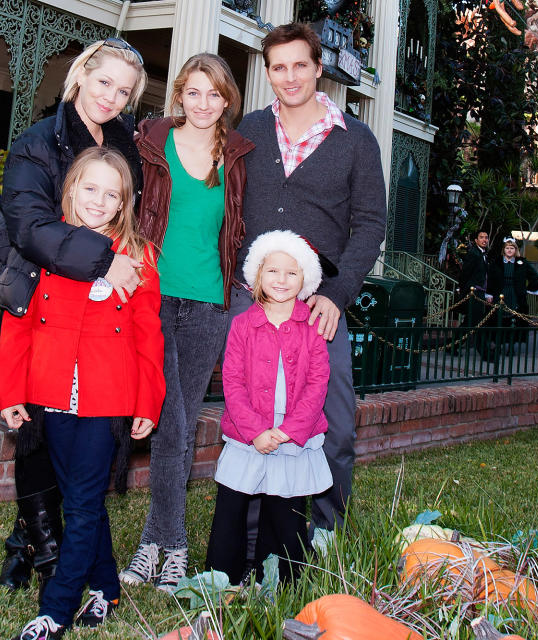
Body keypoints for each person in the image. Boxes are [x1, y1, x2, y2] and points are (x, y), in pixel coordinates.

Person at [0, 37, 146, 605]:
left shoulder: (126, 145)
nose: (111, 97)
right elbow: (29, 226)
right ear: (81, 76)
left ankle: (52, 546)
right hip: (41, 288)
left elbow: (125, 215)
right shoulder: (39, 141)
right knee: (35, 435)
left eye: (124, 91)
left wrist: (123, 262)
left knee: (76, 451)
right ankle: (36, 545)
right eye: (103, 82)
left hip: (101, 312)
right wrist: (106, 261)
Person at [0, 147, 164, 640]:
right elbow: (17, 325)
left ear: (124, 202)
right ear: (70, 189)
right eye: (90, 188)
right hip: (49, 394)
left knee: (85, 505)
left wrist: (146, 402)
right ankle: (107, 587)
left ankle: (56, 608)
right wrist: (12, 392)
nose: (99, 200)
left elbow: (148, 337)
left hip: (106, 397)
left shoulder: (138, 258)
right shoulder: (46, 247)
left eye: (112, 193)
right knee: (77, 498)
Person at [233, 22, 387, 547]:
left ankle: (326, 530)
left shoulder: (355, 139)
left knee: (334, 425)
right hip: (252, 303)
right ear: (268, 72)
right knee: (252, 419)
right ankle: (255, 538)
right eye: (279, 67)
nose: (290, 76)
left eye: (301, 64)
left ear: (319, 68)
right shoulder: (248, 131)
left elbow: (370, 224)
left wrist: (336, 295)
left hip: (318, 304)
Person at [119, 52, 253, 594]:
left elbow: (241, 228)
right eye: (193, 92)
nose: (203, 103)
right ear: (179, 93)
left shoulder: (238, 157)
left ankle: (158, 544)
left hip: (208, 305)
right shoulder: (149, 140)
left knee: (178, 418)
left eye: (214, 94)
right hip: (152, 297)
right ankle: (169, 544)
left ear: (227, 101)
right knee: (169, 419)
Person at [205, 230, 332, 586]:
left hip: (292, 434)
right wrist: (255, 431)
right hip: (250, 432)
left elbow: (316, 384)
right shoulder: (243, 325)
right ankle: (222, 579)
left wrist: (290, 431)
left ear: (305, 279)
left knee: (285, 510)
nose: (282, 280)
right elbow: (232, 382)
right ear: (258, 275)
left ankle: (278, 579)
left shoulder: (312, 326)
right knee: (232, 506)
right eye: (273, 271)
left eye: (292, 273)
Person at [487, 237, 538, 350]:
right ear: (504, 249)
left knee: (514, 319)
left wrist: (528, 289)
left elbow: (534, 277)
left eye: (512, 248)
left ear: (515, 249)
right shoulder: (496, 262)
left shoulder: (522, 263)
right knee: (499, 318)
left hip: (515, 294)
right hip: (500, 294)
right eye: (507, 248)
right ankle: (498, 343)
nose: (509, 250)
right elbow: (490, 279)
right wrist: (489, 293)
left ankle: (512, 343)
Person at [458, 229, 493, 360]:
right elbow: (465, 273)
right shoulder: (473, 253)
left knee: (468, 323)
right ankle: (485, 353)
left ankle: (451, 346)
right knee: (478, 323)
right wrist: (463, 290)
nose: (484, 239)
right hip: (473, 292)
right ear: (476, 240)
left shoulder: (484, 254)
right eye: (481, 237)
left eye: (486, 237)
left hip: (480, 292)